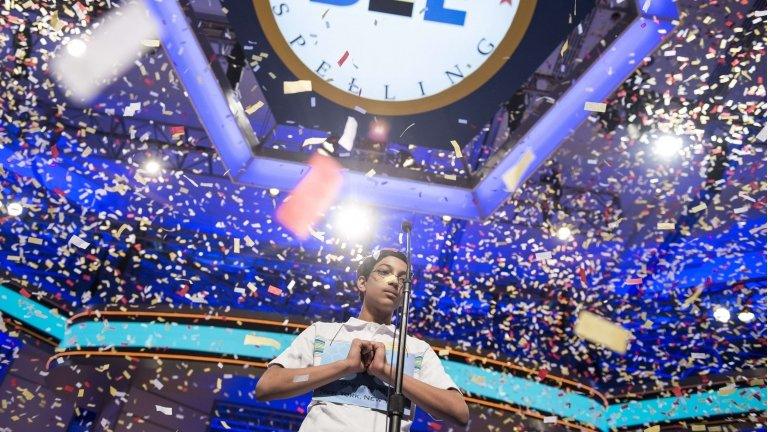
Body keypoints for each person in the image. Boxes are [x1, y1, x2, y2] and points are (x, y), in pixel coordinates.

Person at [255, 249, 470, 431]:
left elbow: (459, 412)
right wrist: (344, 366)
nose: (394, 281)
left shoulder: (417, 348)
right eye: (384, 272)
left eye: (403, 279)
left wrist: (387, 372)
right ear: (362, 282)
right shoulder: (322, 332)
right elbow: (267, 386)